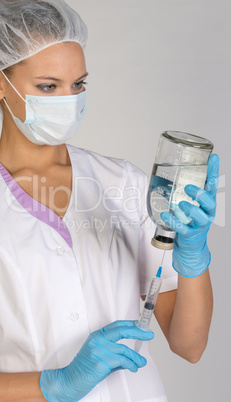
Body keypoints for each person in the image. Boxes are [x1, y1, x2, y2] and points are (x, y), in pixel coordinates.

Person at [0, 1, 219, 401]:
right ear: (1, 84)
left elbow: (190, 347)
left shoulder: (124, 184)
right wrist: (52, 385)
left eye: (78, 84)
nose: (68, 101)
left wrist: (193, 260)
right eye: (48, 87)